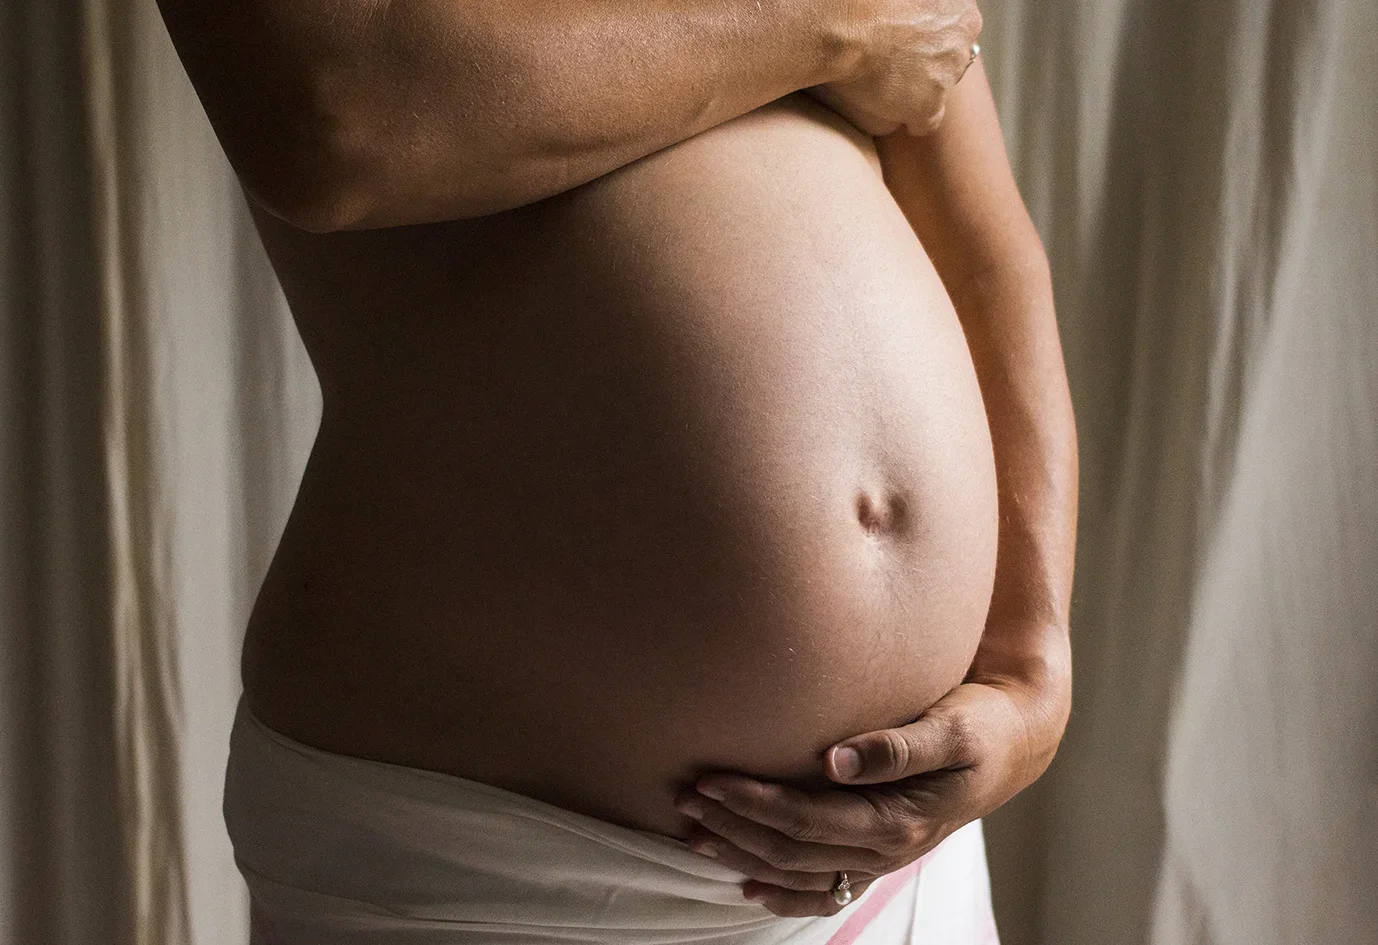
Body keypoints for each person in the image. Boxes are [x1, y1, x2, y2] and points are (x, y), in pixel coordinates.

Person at [156, 0, 1077, 941]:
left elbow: (983, 252)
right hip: (496, 866)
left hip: (893, 853)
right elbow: (333, 120)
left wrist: (1028, 671)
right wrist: (832, 29)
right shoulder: (839, 17)